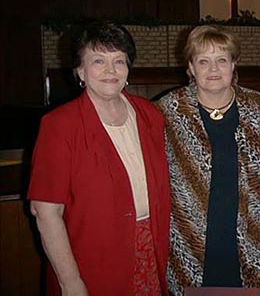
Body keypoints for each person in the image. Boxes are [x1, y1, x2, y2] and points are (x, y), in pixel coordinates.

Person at [28, 22, 171, 296]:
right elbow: (46, 213)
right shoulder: (60, 126)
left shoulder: (150, 116)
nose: (110, 70)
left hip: (150, 253)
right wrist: (70, 281)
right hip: (89, 262)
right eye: (98, 61)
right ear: (80, 71)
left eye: (119, 61)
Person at [155, 25, 260, 296]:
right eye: (203, 61)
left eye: (222, 60)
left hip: (251, 241)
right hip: (189, 244)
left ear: (234, 64)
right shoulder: (168, 112)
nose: (213, 69)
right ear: (190, 66)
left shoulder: (259, 108)